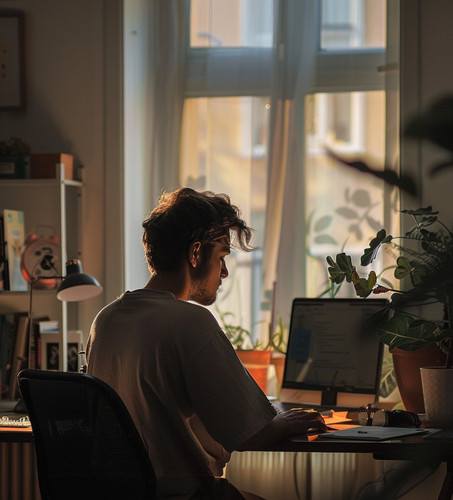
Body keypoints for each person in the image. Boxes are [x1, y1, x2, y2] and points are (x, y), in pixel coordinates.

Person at [86, 187, 325, 499]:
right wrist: (284, 422)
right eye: (222, 257)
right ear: (196, 253)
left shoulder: (106, 320)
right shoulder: (188, 321)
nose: (224, 272)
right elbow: (251, 435)